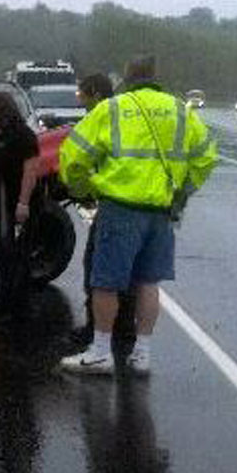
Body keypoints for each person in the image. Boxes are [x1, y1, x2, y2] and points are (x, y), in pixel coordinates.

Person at [57, 56, 217, 375]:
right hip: (160, 211)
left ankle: (101, 352)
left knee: (105, 283)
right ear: (155, 77)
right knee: (147, 282)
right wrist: (181, 192)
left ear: (127, 78)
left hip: (120, 209)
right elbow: (206, 158)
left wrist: (81, 188)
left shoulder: (112, 109)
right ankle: (141, 355)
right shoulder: (180, 110)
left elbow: (73, 156)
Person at [69, 73, 135, 350]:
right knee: (130, 272)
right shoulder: (128, 114)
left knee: (97, 270)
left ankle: (97, 331)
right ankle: (125, 328)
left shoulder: (101, 116)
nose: (79, 99)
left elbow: (78, 160)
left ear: (94, 93)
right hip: (139, 202)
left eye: (81, 94)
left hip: (112, 203)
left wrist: (82, 192)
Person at [0, 91, 41, 314]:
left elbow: (31, 170)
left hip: (14, 206)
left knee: (13, 254)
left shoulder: (23, 135)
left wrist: (23, 203)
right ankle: (12, 299)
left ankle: (12, 303)